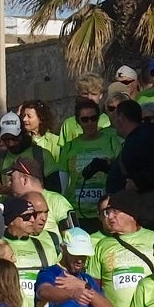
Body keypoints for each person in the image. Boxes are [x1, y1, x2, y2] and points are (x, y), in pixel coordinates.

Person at [57, 96, 120, 233]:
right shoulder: (69, 146)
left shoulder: (111, 141)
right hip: (78, 211)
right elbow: (62, 184)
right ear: (78, 122)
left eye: (93, 118)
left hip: (106, 210)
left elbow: (120, 170)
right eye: (85, 119)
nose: (90, 123)